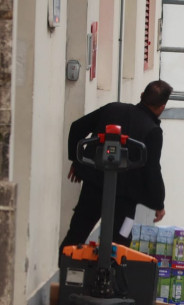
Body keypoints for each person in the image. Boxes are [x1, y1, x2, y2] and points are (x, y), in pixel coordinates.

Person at [60, 80, 173, 255]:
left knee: (76, 235)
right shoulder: (152, 131)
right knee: (121, 243)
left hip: (93, 187)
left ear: (142, 96)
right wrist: (158, 203)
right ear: (162, 107)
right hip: (126, 201)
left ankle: (66, 275)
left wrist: (77, 162)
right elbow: (152, 170)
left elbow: (77, 127)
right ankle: (112, 279)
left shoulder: (112, 109)